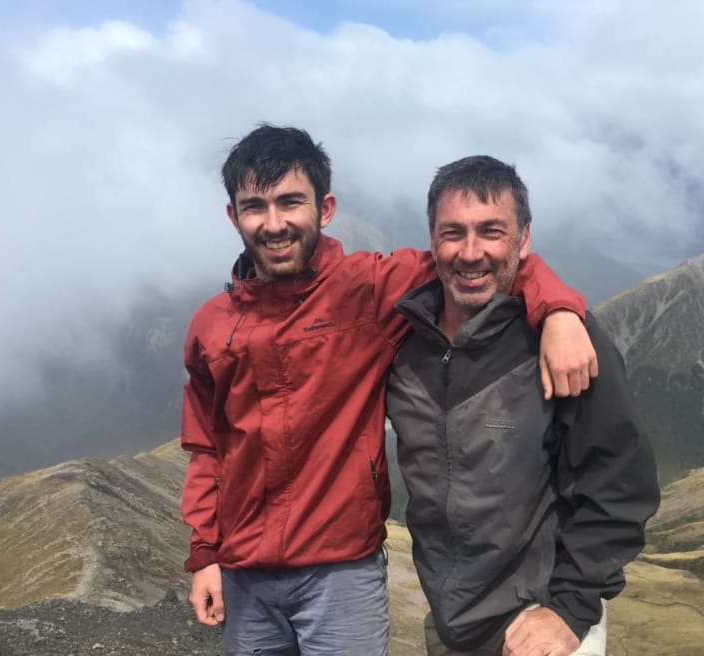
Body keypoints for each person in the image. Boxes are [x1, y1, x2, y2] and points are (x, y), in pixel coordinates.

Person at [180, 125, 598, 656]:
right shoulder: (211, 327)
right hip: (244, 578)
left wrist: (559, 308)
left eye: (291, 202)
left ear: (325, 208)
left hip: (342, 574)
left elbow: (480, 260)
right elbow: (206, 448)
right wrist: (206, 555)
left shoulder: (370, 290)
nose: (275, 223)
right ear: (233, 215)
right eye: (255, 206)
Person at [386, 155, 660, 656]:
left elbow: (619, 482)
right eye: (453, 233)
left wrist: (570, 609)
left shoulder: (564, 344)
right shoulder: (404, 338)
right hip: (450, 625)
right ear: (432, 239)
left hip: (540, 623)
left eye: (492, 231)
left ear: (524, 239)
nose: (471, 253)